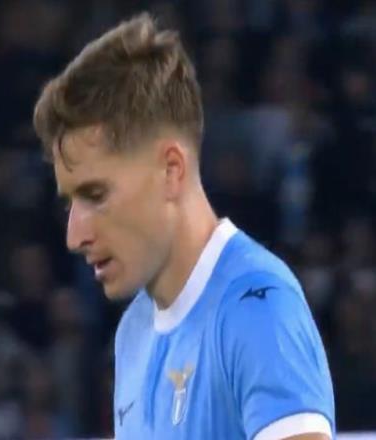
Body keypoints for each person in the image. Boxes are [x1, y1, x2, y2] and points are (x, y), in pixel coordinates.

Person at [32, 13, 335, 440]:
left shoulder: (258, 309)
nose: (74, 235)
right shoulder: (132, 331)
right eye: (69, 204)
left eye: (95, 195)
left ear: (171, 170)